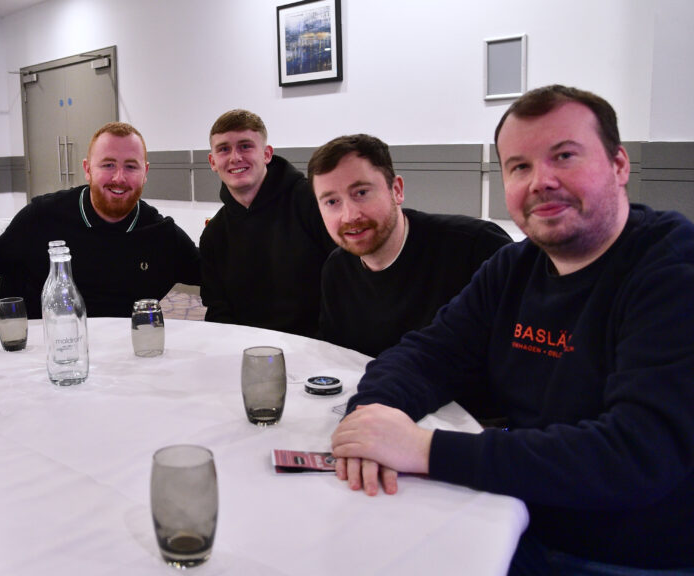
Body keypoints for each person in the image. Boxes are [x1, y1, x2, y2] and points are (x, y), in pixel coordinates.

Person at [330, 85, 694, 573]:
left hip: (629, 552)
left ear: (619, 165)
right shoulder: (514, 266)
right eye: (519, 166)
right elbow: (428, 352)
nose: (541, 181)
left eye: (563, 156)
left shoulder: (671, 267)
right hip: (518, 515)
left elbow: (635, 454)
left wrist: (426, 449)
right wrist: (371, 419)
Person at [308, 134, 511, 359]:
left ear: (397, 190)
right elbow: (337, 361)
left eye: (362, 193)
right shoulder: (337, 269)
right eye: (332, 202)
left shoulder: (477, 248)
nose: (349, 216)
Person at [0, 121, 200, 320]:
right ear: (87, 169)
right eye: (108, 165)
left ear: (145, 172)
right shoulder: (41, 218)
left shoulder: (161, 235)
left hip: (121, 354)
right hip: (40, 352)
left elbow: (215, 275)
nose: (119, 178)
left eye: (131, 166)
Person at [199, 109, 334, 337]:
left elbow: (345, 283)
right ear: (213, 161)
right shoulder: (215, 234)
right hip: (248, 351)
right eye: (224, 149)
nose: (235, 157)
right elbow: (218, 310)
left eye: (245, 146)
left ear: (267, 154)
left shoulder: (313, 202)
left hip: (318, 345)